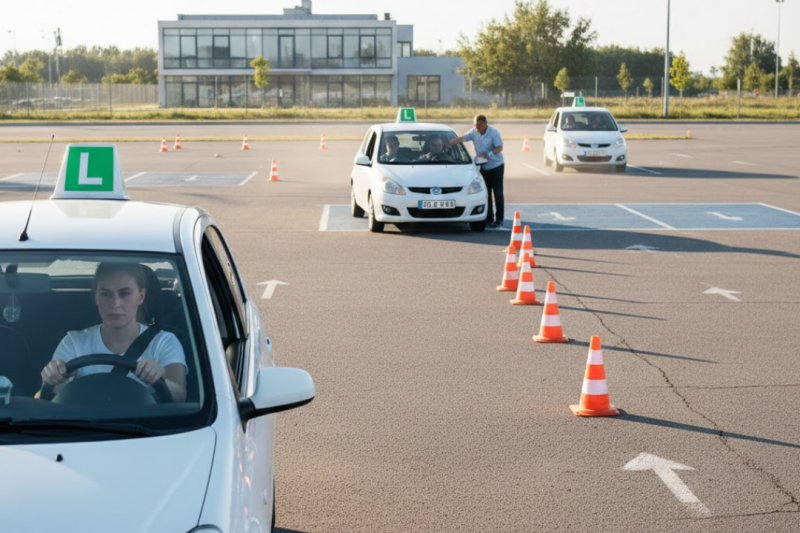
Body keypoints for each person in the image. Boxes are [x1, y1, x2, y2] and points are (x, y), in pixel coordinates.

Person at [40, 262, 187, 402]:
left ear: (141, 296)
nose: (115, 303)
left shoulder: (164, 342)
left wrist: (160, 379)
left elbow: (180, 395)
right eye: (105, 294)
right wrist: (53, 376)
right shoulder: (73, 343)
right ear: (96, 297)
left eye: (125, 294)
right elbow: (50, 398)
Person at [445, 115, 505, 227]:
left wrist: (488, 155)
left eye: (480, 125)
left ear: (485, 123)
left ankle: (500, 218)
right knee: (486, 193)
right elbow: (461, 139)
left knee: (498, 193)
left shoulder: (494, 132)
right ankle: (489, 217)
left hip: (496, 166)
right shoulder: (474, 132)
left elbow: (499, 147)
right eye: (476, 125)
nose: (478, 127)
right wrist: (447, 143)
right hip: (483, 166)